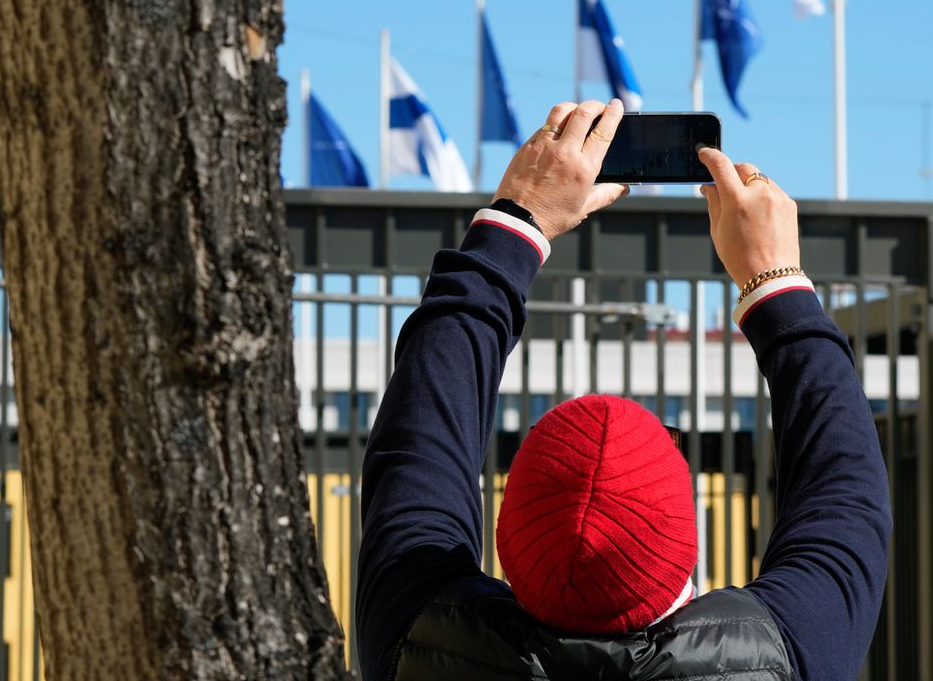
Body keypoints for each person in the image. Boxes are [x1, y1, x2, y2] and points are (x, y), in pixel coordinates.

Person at [356, 99, 891, 680]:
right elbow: (846, 496)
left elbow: (421, 444)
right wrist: (773, 276)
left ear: (509, 535)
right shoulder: (776, 657)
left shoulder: (419, 639)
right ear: (683, 545)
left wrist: (520, 219)